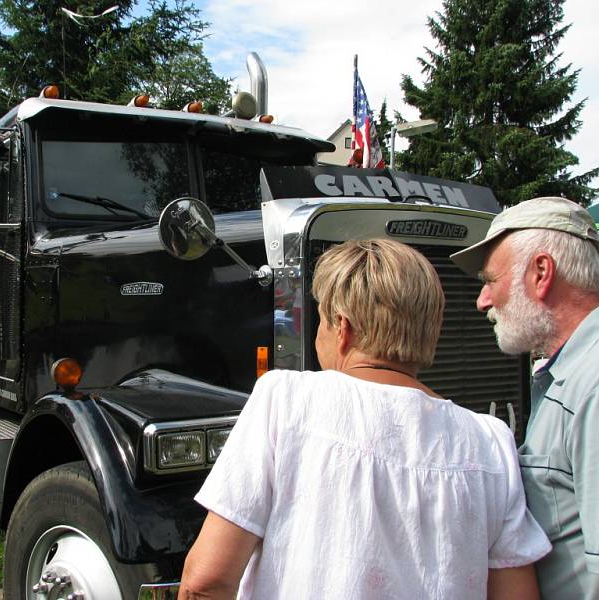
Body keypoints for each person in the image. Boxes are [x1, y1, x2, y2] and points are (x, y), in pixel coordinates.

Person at [180, 238, 550, 600]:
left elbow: (207, 581)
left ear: (343, 328)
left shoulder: (286, 399)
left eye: (322, 320)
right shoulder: (491, 441)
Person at [450, 196, 599, 599]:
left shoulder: (593, 380)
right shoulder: (569, 373)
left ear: (541, 272)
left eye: (490, 281)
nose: (482, 301)